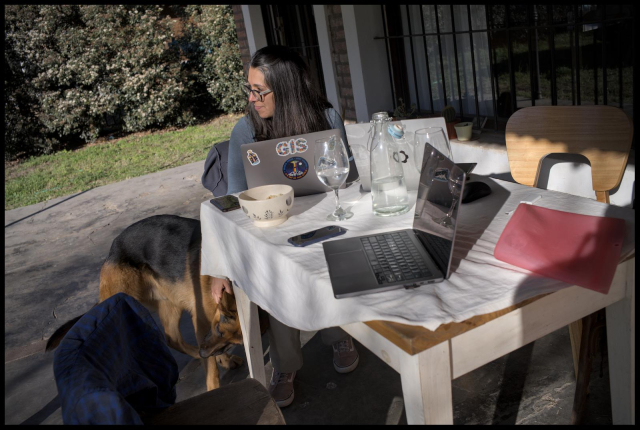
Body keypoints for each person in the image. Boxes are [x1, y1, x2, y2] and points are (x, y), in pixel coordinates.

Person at [209, 45, 359, 408]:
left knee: (332, 257)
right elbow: (232, 199)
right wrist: (219, 264)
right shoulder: (246, 129)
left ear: (287, 89)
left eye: (259, 91)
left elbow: (349, 176)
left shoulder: (326, 117)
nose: (251, 98)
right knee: (273, 270)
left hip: (322, 221)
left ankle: (339, 333)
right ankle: (285, 363)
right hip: (271, 229)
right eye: (249, 89)